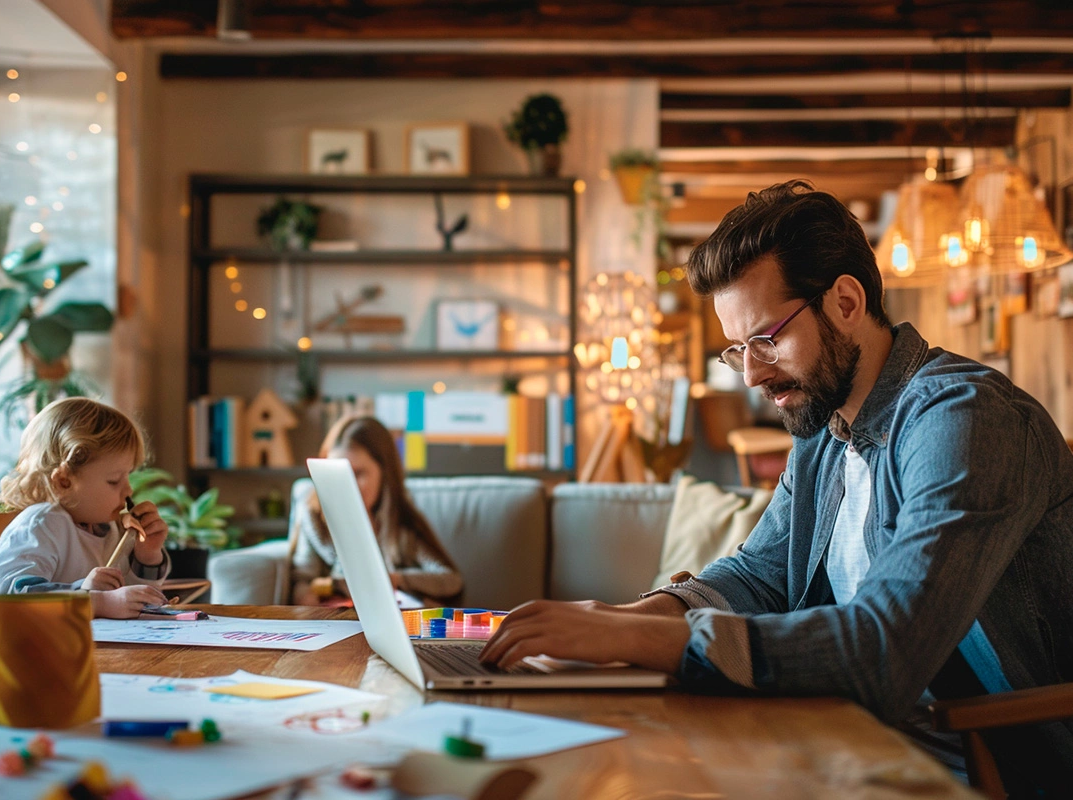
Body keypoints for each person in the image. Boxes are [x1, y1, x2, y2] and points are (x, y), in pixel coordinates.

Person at [481, 180, 1073, 791]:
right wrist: (624, 618)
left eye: (766, 338)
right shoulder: (825, 427)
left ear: (846, 302)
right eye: (738, 349)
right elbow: (760, 573)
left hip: (987, 765)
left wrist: (636, 637)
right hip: (849, 736)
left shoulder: (961, 418)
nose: (752, 374)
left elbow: (885, 648)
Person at [0, 397, 170, 619]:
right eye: (114, 480)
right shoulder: (40, 526)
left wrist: (147, 555)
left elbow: (126, 597)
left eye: (128, 476)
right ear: (64, 481)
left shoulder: (108, 527)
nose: (128, 490)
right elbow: (14, 597)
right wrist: (94, 601)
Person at [291, 415, 462, 607]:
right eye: (338, 473)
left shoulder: (401, 524)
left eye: (358, 473)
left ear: (384, 474)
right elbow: (303, 578)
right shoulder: (313, 515)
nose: (348, 485)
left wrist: (395, 580)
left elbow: (450, 581)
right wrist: (309, 603)